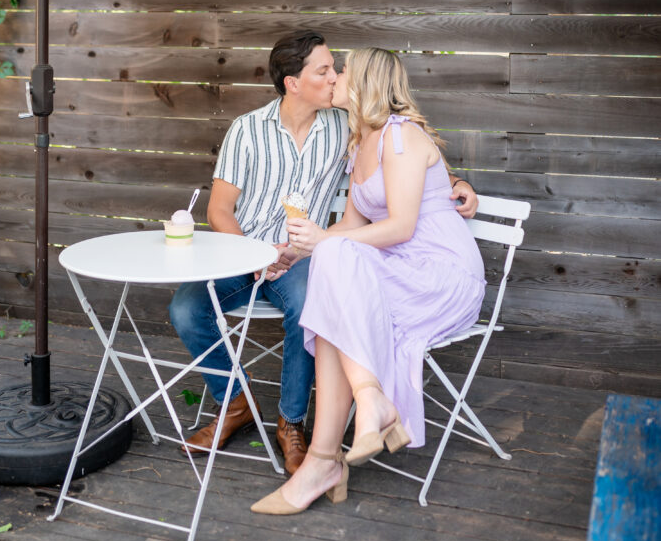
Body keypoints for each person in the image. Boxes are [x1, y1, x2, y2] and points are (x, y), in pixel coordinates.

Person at [170, 32, 478, 474]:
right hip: (246, 252)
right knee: (185, 309)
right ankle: (234, 402)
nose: (334, 78)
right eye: (324, 71)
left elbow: (410, 154)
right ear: (293, 83)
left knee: (308, 309)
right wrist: (254, 256)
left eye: (338, 69)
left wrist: (457, 185)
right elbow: (219, 210)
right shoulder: (247, 129)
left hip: (307, 255)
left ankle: (291, 423)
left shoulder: (345, 126)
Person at [250, 47, 486, 514]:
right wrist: (294, 252)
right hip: (395, 270)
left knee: (335, 277)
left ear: (365, 83)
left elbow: (400, 227)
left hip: (440, 275)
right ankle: (352, 422)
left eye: (343, 71)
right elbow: (350, 228)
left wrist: (324, 244)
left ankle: (327, 457)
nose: (333, 77)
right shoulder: (361, 144)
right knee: (334, 290)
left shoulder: (401, 137)